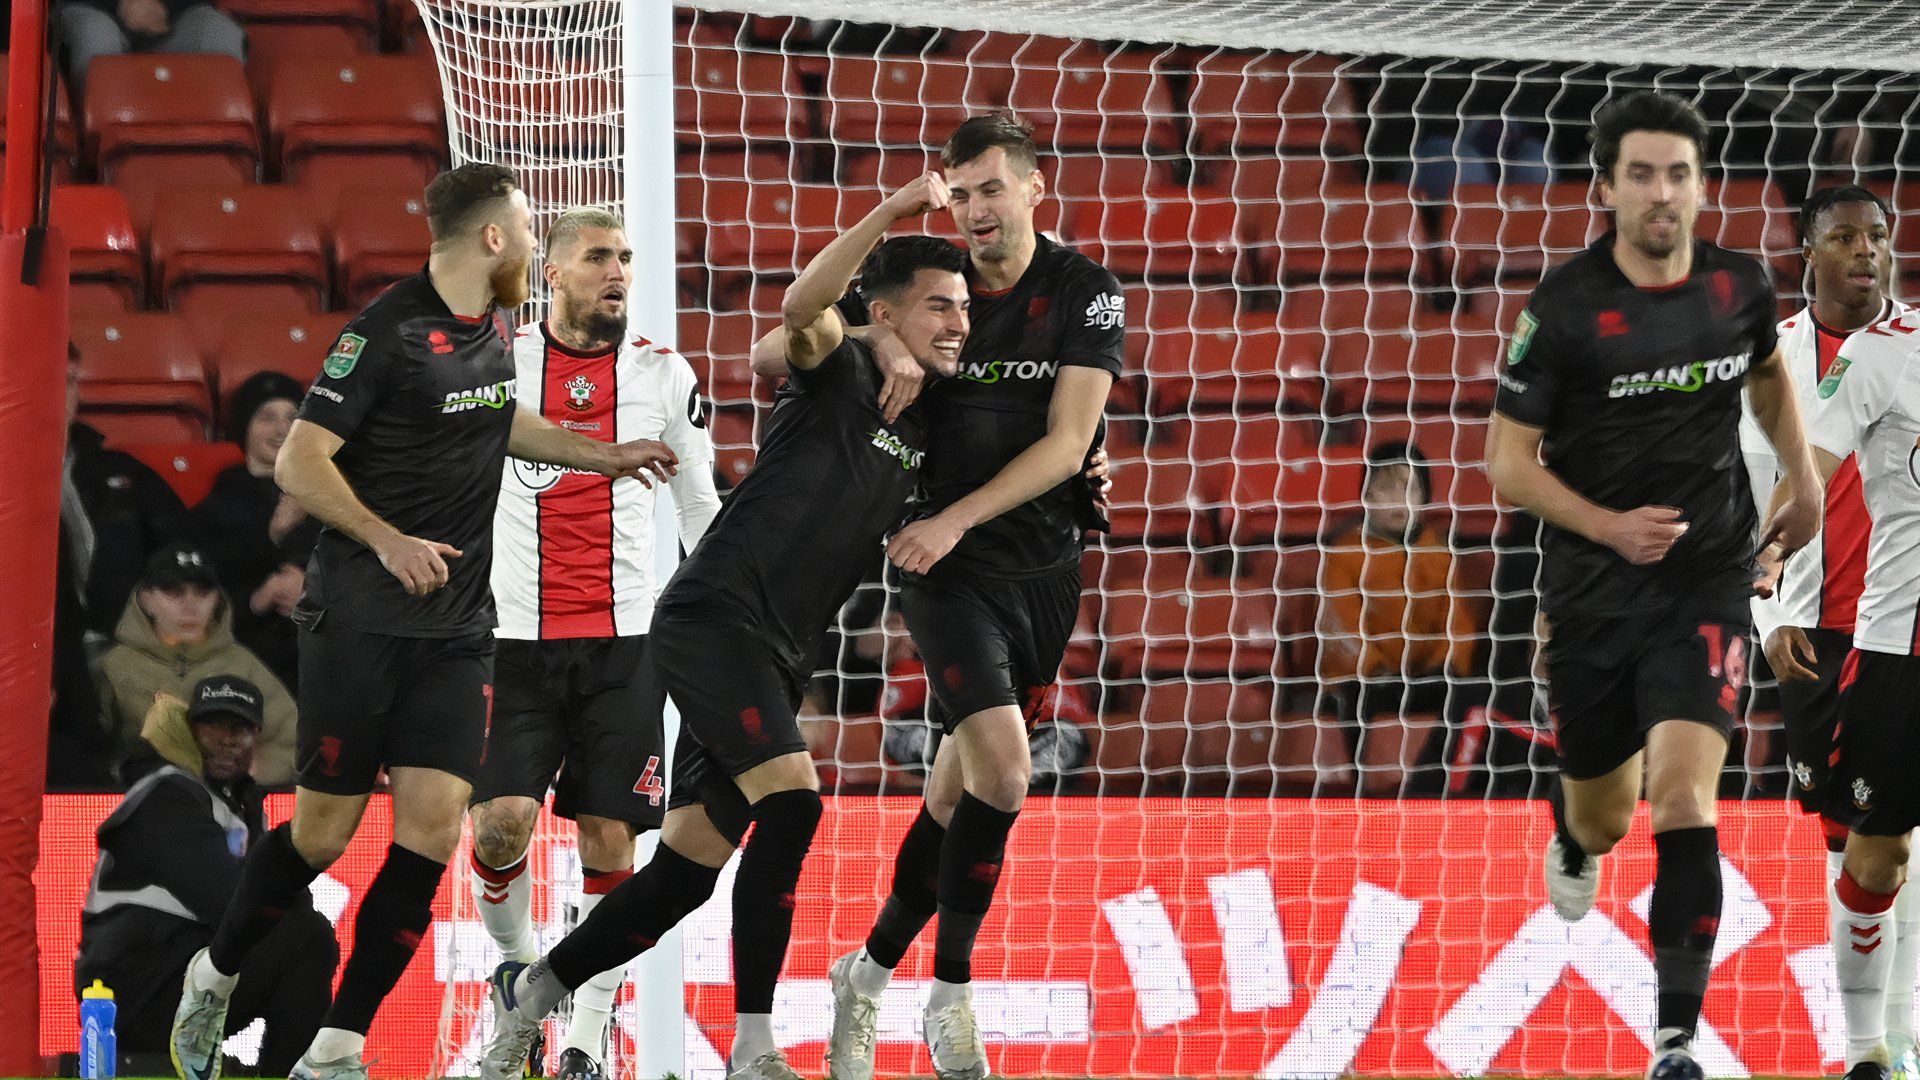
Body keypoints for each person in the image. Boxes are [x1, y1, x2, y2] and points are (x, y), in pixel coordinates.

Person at [167, 163, 678, 1080]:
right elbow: (298, 463)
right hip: (360, 619)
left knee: (437, 831)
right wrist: (385, 537)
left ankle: (340, 1043)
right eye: (528, 231)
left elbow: (497, 421)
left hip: (457, 630)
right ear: (493, 239)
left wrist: (603, 456)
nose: (533, 245)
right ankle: (214, 972)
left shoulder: (492, 333)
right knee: (322, 835)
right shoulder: (385, 335)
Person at [478, 176, 965, 1080]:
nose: (959, 322)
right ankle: (754, 1045)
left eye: (966, 308)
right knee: (794, 803)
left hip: (783, 649)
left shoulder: (938, 420)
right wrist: (890, 230)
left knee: (684, 871)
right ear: (888, 309)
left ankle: (533, 993)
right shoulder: (845, 364)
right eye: (939, 305)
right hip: (716, 613)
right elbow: (797, 315)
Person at [1484, 89, 1821, 1080]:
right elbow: (1508, 464)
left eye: (1678, 173)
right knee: (1606, 815)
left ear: (1702, 184)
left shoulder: (1740, 289)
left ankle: (1674, 1042)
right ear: (1606, 186)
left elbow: (1765, 375)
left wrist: (1800, 480)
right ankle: (1575, 841)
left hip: (1706, 579)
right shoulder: (1564, 308)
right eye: (1641, 174)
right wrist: (1605, 527)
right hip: (1592, 589)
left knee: (1684, 800)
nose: (1662, 192)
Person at [782, 113, 1122, 1080]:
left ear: (1033, 188)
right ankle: (953, 994)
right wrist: (872, 335)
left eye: (990, 189)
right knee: (1007, 774)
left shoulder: (1084, 291)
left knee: (957, 789)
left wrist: (973, 514)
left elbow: (1069, 444)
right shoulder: (937, 280)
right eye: (959, 192)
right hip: (940, 563)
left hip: (1045, 567)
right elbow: (789, 338)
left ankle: (868, 969)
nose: (974, 210)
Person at [467, 206, 721, 1080]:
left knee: (611, 843)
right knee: (500, 827)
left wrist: (723, 614)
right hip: (512, 638)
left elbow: (698, 507)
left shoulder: (662, 372)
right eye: (599, 257)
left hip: (628, 642)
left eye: (627, 258)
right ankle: (512, 966)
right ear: (555, 274)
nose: (618, 271)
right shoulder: (501, 367)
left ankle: (584, 1035)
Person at [1738, 185, 1915, 1080]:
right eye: (1843, 238)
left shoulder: (1913, 345)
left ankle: (1892, 1040)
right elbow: (1763, 495)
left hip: (1901, 624)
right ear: (1806, 252)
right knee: (1846, 836)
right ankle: (1872, 1038)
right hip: (1814, 627)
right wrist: (1767, 612)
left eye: (1878, 237)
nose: (1866, 252)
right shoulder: (1770, 364)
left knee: (1894, 834)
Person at [78, 676, 336, 1078]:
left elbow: (270, 904)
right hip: (132, 994)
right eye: (212, 726)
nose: (226, 739)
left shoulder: (236, 807)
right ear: (189, 733)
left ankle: (283, 1071)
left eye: (240, 728)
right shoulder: (168, 793)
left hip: (175, 981)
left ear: (256, 739)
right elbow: (228, 901)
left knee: (305, 935)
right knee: (305, 936)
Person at [55, 342, 186, 787]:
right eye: (52, 379)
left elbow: (182, 546)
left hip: (128, 640)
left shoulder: (120, 471)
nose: (64, 392)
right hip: (46, 655)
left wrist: (167, 596)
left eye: (70, 381)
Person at [1316, 440, 1478, 796]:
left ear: (1425, 498)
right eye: (1385, 487)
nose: (1397, 498)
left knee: (1467, 696)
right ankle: (1359, 794)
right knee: (1356, 700)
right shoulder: (1344, 553)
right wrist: (1373, 667)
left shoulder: (1439, 552)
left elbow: (1457, 623)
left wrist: (1447, 664)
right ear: (1367, 495)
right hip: (1367, 680)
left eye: (1410, 488)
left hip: (1426, 677)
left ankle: (1446, 790)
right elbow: (1343, 625)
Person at [100, 542, 298, 785]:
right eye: (174, 593)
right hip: (140, 800)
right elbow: (92, 745)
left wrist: (254, 775)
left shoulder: (243, 663)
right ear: (146, 599)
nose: (190, 606)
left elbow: (292, 740)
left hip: (227, 808)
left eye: (203, 593)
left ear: (217, 599)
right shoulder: (113, 666)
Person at [191, 371, 320, 691]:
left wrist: (313, 593)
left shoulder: (329, 492)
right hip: (249, 649)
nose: (281, 429)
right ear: (244, 428)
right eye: (267, 417)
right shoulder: (218, 505)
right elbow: (206, 587)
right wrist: (261, 595)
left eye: (292, 417)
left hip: (325, 642)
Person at [55, 0, 247, 94]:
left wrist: (162, 7)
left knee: (220, 31)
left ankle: (212, 151)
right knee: (95, 32)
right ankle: (93, 153)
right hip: (92, 9)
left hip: (172, 15)